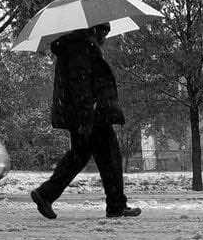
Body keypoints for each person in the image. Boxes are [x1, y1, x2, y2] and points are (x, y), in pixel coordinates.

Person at [31, 23, 141, 219]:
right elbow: (80, 85)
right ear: (94, 29)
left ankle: (46, 194)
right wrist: (86, 117)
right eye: (104, 32)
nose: (105, 37)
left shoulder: (81, 47)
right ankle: (115, 205)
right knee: (109, 158)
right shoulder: (80, 49)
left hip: (89, 115)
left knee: (83, 157)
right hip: (91, 116)